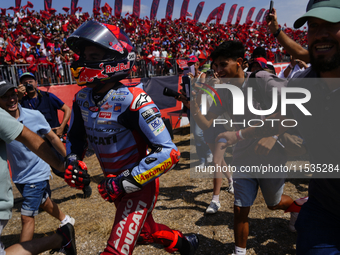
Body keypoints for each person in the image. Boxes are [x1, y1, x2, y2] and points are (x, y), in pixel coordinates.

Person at [65, 20, 199, 255]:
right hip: (113, 185)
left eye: (92, 55)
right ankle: (185, 244)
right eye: (83, 55)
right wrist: (72, 162)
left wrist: (123, 183)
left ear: (112, 59)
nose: (82, 62)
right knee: (145, 232)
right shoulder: (81, 98)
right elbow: (75, 139)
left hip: (138, 185)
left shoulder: (134, 99)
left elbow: (169, 152)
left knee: (116, 250)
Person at [217, 1, 340, 253]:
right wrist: (239, 134)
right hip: (324, 209)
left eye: (331, 25)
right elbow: (282, 117)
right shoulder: (302, 84)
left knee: (274, 203)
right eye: (314, 26)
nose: (321, 33)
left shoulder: (264, 79)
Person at [191, 41, 294, 255]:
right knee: (239, 208)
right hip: (243, 157)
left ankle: (298, 208)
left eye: (222, 65)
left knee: (274, 204)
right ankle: (240, 252)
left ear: (239, 62)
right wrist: (194, 102)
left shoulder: (261, 80)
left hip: (271, 156)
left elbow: (293, 103)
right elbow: (206, 123)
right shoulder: (226, 93)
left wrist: (274, 135)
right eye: (214, 66)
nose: (217, 71)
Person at [0, 80, 76, 255]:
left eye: (12, 94)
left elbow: (52, 138)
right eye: (4, 97)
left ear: (17, 95)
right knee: (44, 201)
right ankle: (66, 221)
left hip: (37, 172)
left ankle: (27, 249)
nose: (10, 99)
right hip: (19, 176)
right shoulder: (2, 120)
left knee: (27, 217)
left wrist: (68, 159)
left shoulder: (34, 115)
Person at [17, 72, 92, 198]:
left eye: (30, 81)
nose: (28, 84)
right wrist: (18, 97)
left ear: (36, 83)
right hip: (34, 142)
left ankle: (82, 183)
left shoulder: (47, 96)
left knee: (60, 168)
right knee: (38, 171)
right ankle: (44, 198)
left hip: (51, 139)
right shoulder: (20, 103)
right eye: (25, 83)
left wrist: (62, 127)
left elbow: (67, 109)